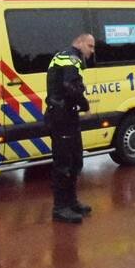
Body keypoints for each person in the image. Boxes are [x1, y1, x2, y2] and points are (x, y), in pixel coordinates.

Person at [46, 33, 94, 224]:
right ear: (79, 42)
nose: (92, 51)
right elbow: (71, 86)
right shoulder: (70, 59)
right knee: (64, 164)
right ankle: (60, 208)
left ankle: (71, 202)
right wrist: (85, 105)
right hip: (61, 117)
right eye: (90, 46)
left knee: (75, 160)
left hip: (68, 116)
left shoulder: (68, 57)